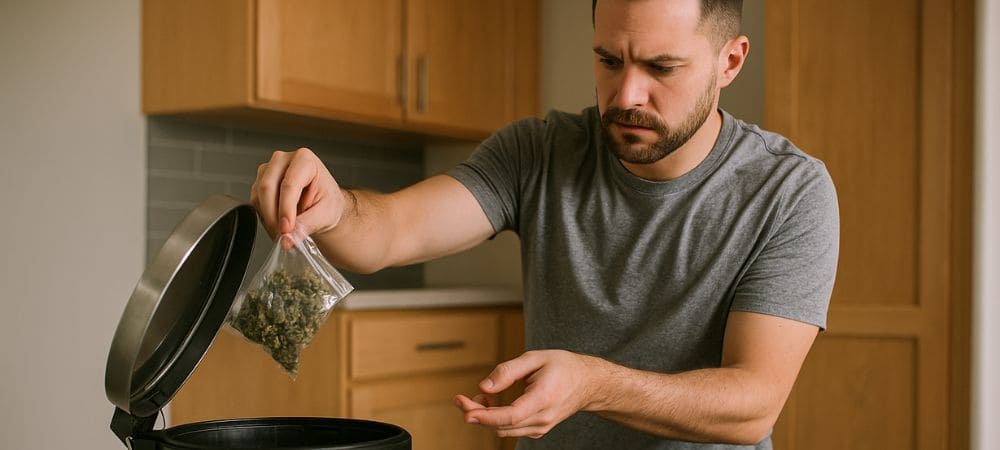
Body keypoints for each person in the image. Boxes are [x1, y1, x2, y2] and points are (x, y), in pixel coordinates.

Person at [249, 0, 839, 448]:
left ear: (729, 61)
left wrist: (593, 384)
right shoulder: (539, 151)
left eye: (663, 67)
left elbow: (754, 401)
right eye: (609, 61)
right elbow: (393, 231)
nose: (627, 93)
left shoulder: (789, 191)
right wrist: (336, 206)